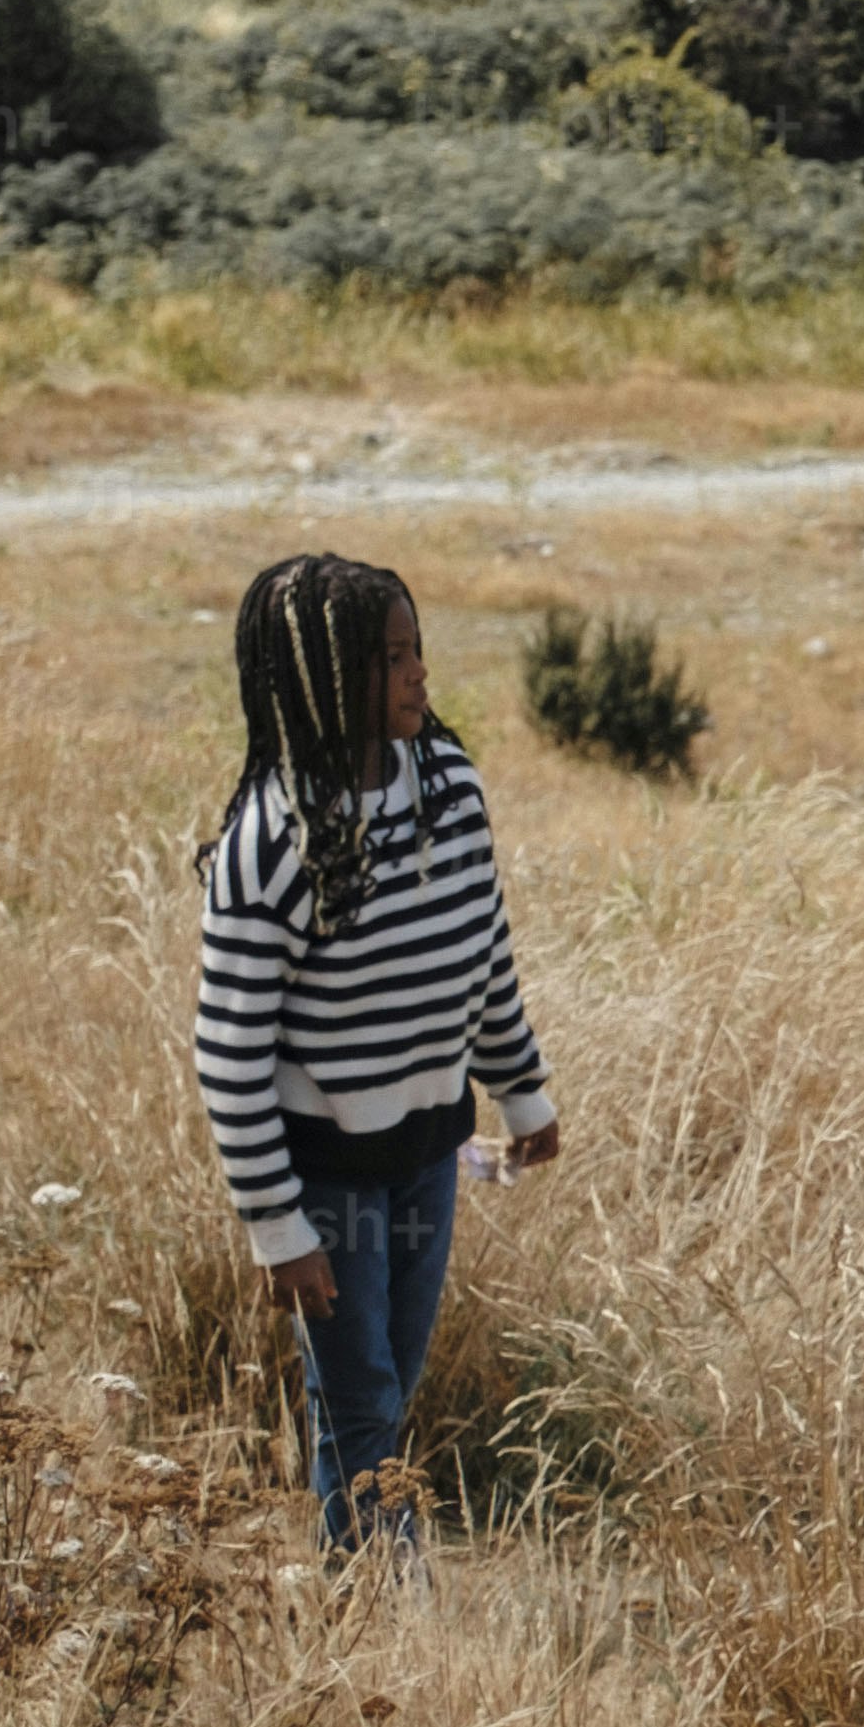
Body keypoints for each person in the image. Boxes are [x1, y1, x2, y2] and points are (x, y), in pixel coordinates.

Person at [189, 553, 563, 1553]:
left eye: (415, 650)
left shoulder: (448, 785)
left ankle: (357, 1589)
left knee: (387, 1386)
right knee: (361, 1403)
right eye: (387, 657)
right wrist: (277, 1226)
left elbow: (482, 946)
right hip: (327, 1180)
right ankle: (384, 1608)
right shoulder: (272, 842)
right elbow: (228, 1052)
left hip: (429, 1155)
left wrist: (522, 1092)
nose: (415, 673)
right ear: (320, 677)